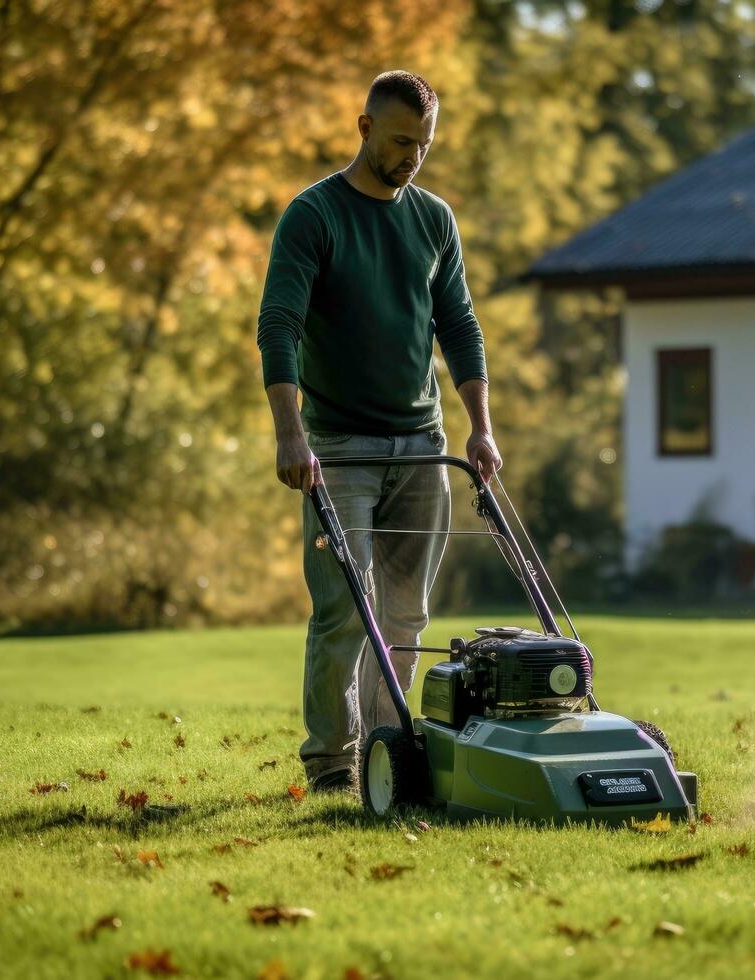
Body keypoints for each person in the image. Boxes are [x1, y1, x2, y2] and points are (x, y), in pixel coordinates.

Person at [256, 70, 501, 794]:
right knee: (343, 611)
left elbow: (458, 324)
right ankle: (332, 761)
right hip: (339, 451)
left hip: (423, 448)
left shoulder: (433, 219)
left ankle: (383, 750)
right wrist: (288, 433)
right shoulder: (315, 215)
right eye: (399, 142)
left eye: (423, 145)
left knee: (407, 614)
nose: (412, 157)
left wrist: (480, 428)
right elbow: (280, 326)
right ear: (363, 129)